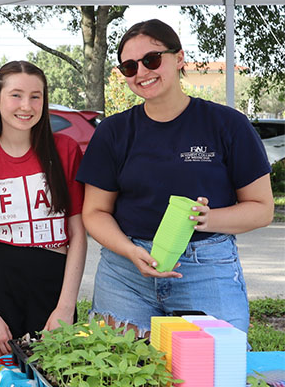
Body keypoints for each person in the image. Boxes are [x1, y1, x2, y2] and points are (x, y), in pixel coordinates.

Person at [77, 19, 273, 334]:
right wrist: (130, 251)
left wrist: (207, 218)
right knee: (120, 374)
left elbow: (262, 208)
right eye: (129, 67)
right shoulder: (113, 132)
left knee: (214, 373)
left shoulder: (228, 125)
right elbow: (95, 212)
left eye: (151, 60)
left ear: (179, 57)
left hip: (205, 267)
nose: (141, 72)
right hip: (125, 274)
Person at [0, 61, 86, 368]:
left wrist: (66, 307)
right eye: (16, 95)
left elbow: (78, 234)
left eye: (35, 96)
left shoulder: (64, 150)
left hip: (54, 282)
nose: (26, 105)